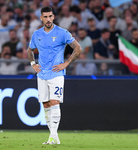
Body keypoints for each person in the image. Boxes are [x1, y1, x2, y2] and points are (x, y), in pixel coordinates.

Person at [27, 6, 82, 145]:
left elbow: (78, 48)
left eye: (50, 16)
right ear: (41, 18)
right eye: (45, 17)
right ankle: (54, 137)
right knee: (45, 104)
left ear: (53, 17)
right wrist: (33, 63)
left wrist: (66, 63)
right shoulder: (37, 34)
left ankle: (52, 136)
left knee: (54, 102)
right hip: (42, 74)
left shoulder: (62, 33)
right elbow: (30, 50)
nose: (48, 19)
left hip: (57, 73)